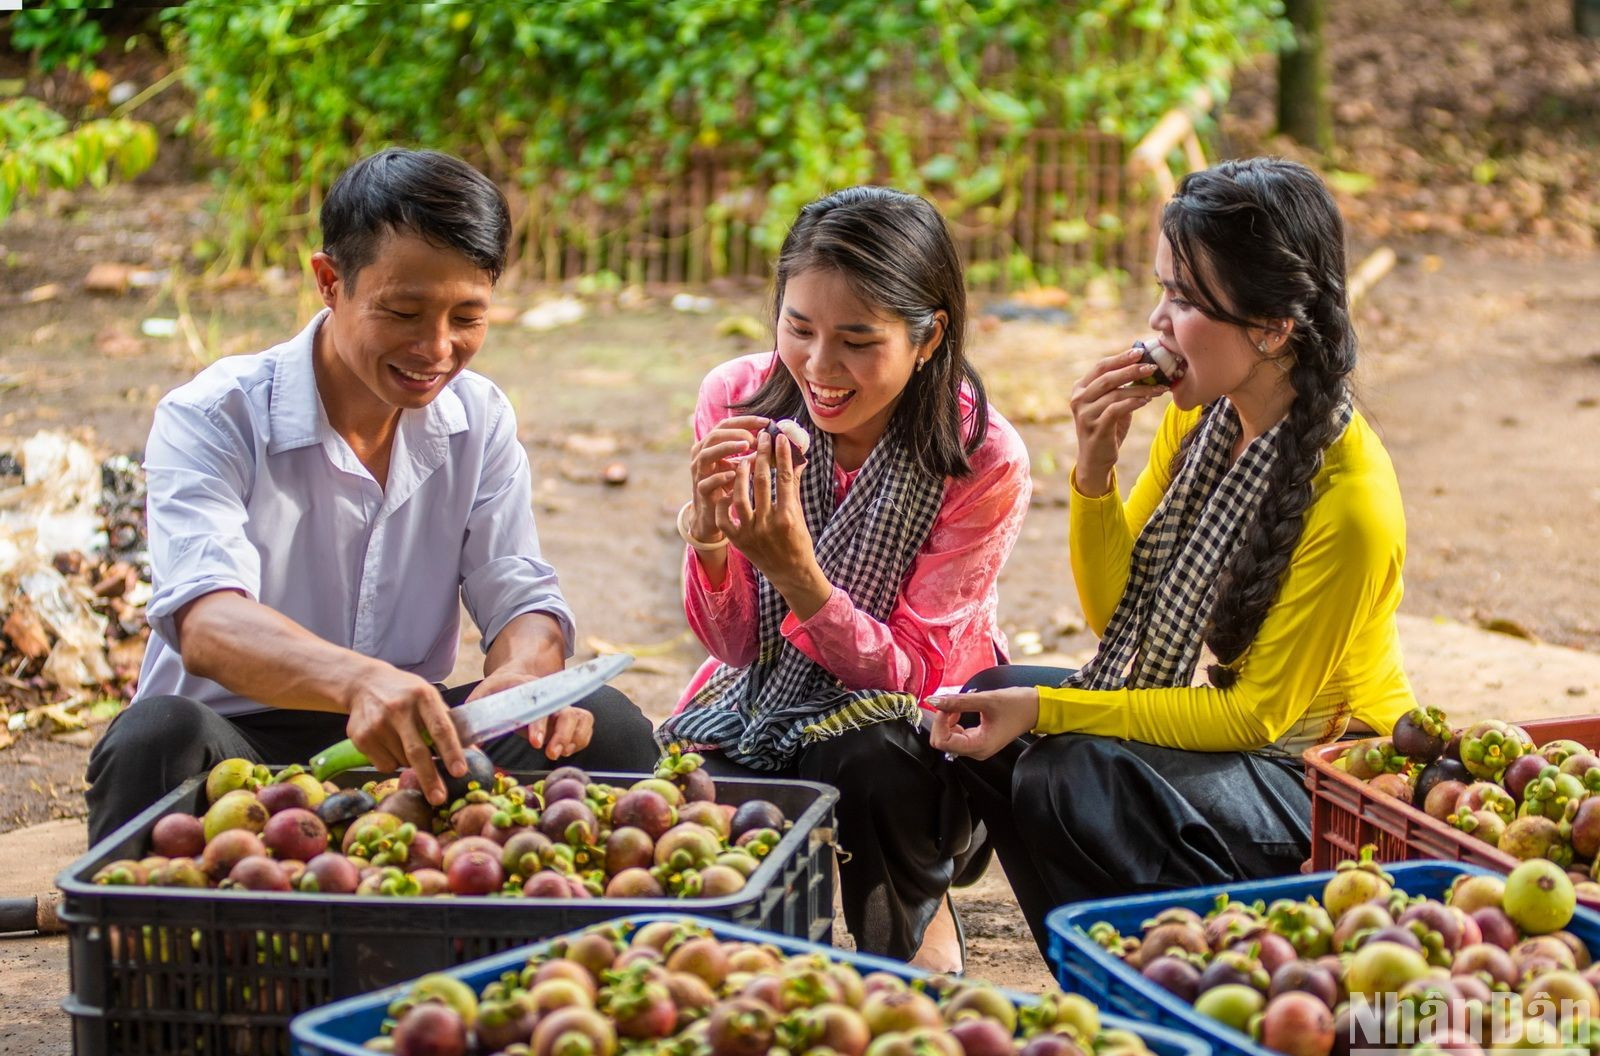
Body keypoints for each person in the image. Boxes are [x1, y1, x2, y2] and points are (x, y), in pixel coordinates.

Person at [86, 148, 658, 846]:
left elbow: (519, 594)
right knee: (156, 735)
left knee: (611, 726)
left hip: (409, 751)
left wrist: (521, 674)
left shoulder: (478, 418)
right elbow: (208, 624)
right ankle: (144, 948)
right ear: (329, 281)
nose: (437, 347)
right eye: (404, 311)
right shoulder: (214, 415)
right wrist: (360, 683)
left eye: (467, 317)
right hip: (237, 749)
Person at [928, 157, 1417, 952]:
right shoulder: (1202, 422)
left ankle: (1197, 974)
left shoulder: (1352, 499)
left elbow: (1250, 715)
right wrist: (1093, 467)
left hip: (1320, 786)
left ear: (1270, 327)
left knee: (1071, 771)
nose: (1156, 320)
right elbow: (1115, 616)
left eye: (1185, 299)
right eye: (1161, 288)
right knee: (988, 702)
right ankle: (1100, 976)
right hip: (1238, 749)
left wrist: (1052, 709)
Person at [656, 186, 1030, 970]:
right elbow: (732, 646)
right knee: (694, 807)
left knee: (870, 757)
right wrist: (711, 536)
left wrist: (801, 576)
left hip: (913, 728)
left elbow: (915, 672)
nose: (820, 368)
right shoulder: (736, 401)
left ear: (930, 338)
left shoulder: (981, 457)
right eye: (799, 328)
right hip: (757, 702)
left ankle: (914, 918)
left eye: (859, 340)